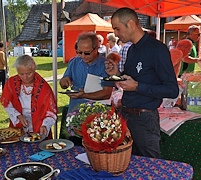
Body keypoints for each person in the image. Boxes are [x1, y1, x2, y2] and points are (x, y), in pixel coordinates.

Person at [107, 7, 179, 158]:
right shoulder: (131, 49)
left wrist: (138, 87)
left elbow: (172, 90)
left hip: (145, 120)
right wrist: (117, 75)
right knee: (128, 164)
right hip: (126, 116)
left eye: (117, 29)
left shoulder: (157, 49)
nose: (116, 34)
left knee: (150, 166)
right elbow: (133, 79)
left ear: (131, 24)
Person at [0, 55, 57, 139]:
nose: (25, 77)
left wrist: (45, 125)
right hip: (18, 128)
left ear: (34, 70)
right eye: (21, 74)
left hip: (39, 128)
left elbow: (51, 111)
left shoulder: (44, 87)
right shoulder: (11, 83)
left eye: (28, 73)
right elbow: (7, 103)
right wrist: (18, 115)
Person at [60, 32, 113, 113]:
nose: (83, 56)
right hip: (75, 112)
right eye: (79, 52)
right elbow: (63, 84)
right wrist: (64, 81)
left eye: (87, 53)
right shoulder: (74, 62)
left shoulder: (106, 65)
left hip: (97, 114)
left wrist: (84, 95)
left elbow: (107, 93)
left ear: (96, 49)